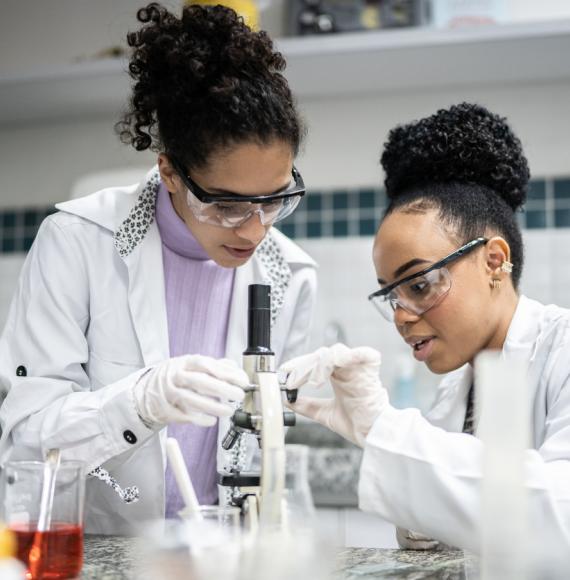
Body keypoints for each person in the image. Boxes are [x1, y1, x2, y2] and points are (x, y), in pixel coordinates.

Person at [0, 3, 316, 534]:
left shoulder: (290, 274)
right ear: (169, 170)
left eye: (275, 200)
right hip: (100, 551)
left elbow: (271, 458)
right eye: (228, 205)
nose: (255, 230)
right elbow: (25, 442)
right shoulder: (77, 242)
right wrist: (138, 403)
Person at [281, 103, 570, 555]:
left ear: (494, 261)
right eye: (391, 296)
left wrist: (385, 427)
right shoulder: (458, 387)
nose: (401, 315)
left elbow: (558, 515)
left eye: (419, 284)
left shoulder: (563, 349)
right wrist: (422, 518)